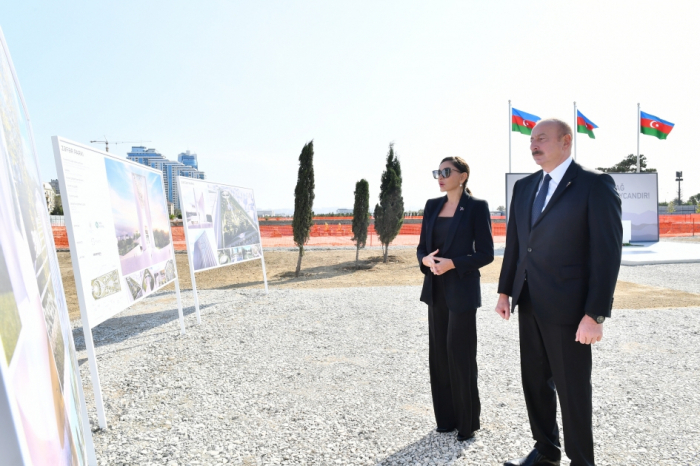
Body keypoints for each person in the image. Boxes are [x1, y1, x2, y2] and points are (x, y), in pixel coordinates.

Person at [495, 119, 622, 466]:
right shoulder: (524, 188)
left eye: (542, 139)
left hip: (571, 310)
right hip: (529, 302)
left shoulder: (594, 185)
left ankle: (582, 461)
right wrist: (505, 291)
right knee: (534, 382)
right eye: (532, 139)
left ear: (566, 142)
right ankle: (546, 451)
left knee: (572, 391)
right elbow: (517, 245)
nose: (533, 145)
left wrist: (595, 314)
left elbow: (607, 253)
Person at [416, 156, 494, 441]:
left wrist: (454, 264)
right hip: (435, 290)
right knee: (438, 356)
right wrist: (425, 260)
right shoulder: (432, 206)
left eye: (446, 171)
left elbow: (486, 253)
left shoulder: (476, 207)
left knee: (460, 355)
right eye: (438, 171)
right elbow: (421, 248)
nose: (441, 175)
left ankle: (467, 422)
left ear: (463, 176)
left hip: (462, 290)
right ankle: (445, 420)